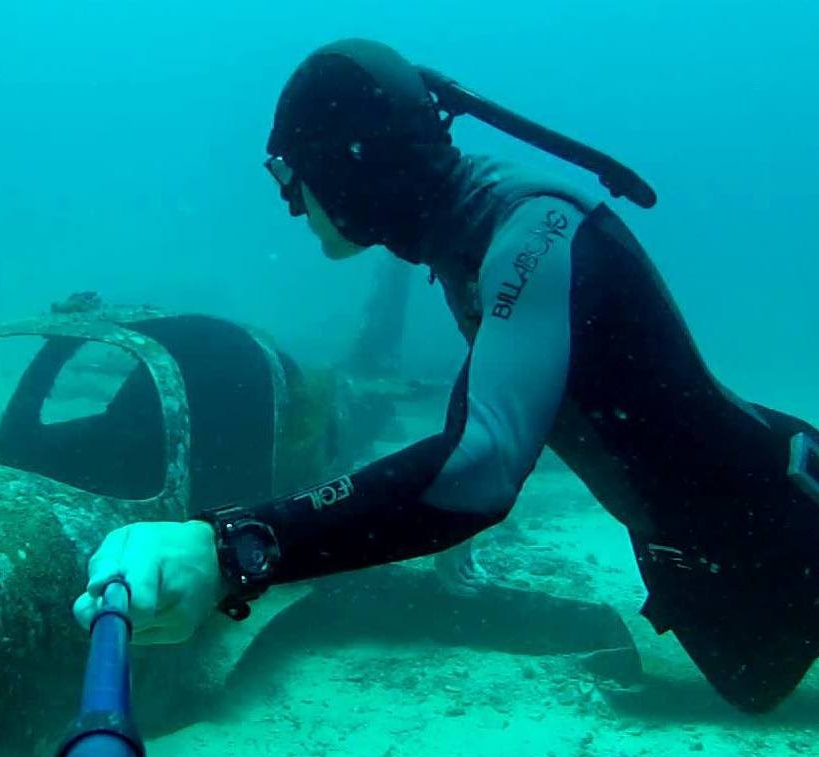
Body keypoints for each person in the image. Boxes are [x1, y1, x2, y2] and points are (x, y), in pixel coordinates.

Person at [72, 38, 819, 713]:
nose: (290, 201)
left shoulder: (533, 230)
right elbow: (480, 436)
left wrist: (231, 547)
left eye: (289, 171)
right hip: (719, 539)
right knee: (754, 683)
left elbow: (479, 469)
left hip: (784, 525)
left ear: (348, 163)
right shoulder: (472, 237)